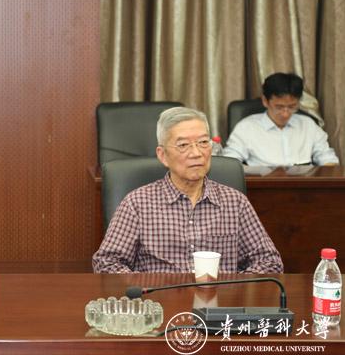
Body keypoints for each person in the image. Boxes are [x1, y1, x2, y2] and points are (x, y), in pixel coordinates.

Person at [92, 107, 283, 274]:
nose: (196, 153)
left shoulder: (235, 202)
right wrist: (145, 287)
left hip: (220, 301)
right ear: (163, 155)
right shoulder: (137, 203)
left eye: (203, 142)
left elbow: (269, 262)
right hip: (160, 299)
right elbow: (107, 262)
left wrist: (234, 287)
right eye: (183, 145)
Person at [223, 73, 339, 166]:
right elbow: (230, 162)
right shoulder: (246, 128)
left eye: (292, 107)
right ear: (265, 101)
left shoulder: (308, 125)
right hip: (262, 185)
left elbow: (328, 158)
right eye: (279, 107)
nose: (285, 113)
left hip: (304, 185)